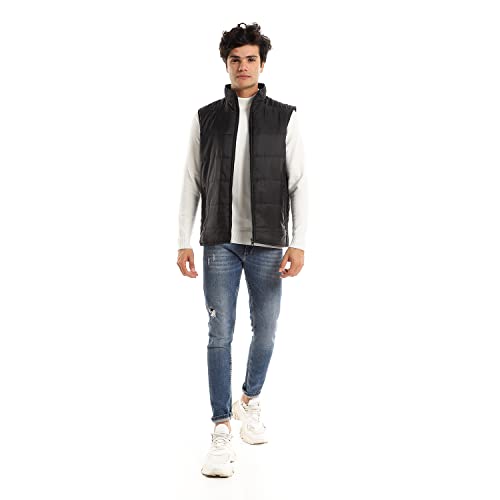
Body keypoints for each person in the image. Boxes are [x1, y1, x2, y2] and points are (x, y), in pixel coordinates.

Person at [176, 22, 308, 478]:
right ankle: (221, 426)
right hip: (219, 243)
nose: (243, 66)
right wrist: (183, 239)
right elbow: (191, 181)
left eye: (251, 59)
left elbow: (299, 183)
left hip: (269, 244)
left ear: (262, 64)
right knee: (220, 334)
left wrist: (299, 243)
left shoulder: (285, 116)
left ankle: (249, 399)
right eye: (235, 59)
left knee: (266, 331)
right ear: (226, 65)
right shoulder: (206, 117)